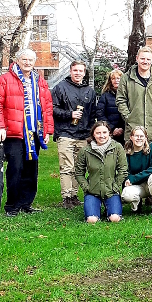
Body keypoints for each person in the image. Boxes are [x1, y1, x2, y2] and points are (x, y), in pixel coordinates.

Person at [0, 48, 54, 217]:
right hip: (14, 133)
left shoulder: (39, 81)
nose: (28, 63)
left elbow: (47, 107)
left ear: (35, 62)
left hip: (34, 133)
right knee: (15, 169)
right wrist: (0, 127)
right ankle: (12, 206)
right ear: (17, 61)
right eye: (24, 59)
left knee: (31, 170)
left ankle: (26, 203)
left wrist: (47, 130)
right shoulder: (5, 80)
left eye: (31, 60)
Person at [51, 61, 97, 209]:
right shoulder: (60, 88)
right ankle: (66, 196)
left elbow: (92, 114)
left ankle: (74, 196)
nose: (78, 73)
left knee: (79, 167)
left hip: (83, 135)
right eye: (75, 70)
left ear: (84, 73)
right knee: (66, 166)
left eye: (80, 71)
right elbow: (52, 109)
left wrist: (91, 134)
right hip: (65, 133)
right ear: (70, 71)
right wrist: (69, 114)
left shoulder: (89, 91)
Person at [116, 46, 152, 148]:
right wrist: (128, 117)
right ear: (137, 59)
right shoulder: (126, 78)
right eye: (142, 58)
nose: (145, 61)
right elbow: (120, 100)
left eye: (148, 59)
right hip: (133, 130)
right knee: (132, 163)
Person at [75, 121, 128, 223]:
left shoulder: (117, 147)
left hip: (111, 191)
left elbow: (123, 169)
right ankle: (95, 208)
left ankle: (109, 209)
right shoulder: (85, 151)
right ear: (93, 134)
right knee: (92, 220)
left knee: (115, 219)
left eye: (104, 132)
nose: (102, 136)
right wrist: (87, 187)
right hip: (92, 192)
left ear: (109, 133)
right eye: (98, 133)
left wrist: (115, 186)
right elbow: (78, 173)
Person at [121, 126, 152, 214]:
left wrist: (134, 178)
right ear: (131, 137)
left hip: (150, 184)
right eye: (136, 136)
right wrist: (129, 180)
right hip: (136, 186)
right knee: (127, 195)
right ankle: (136, 206)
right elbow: (124, 171)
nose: (139, 138)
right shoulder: (126, 152)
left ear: (145, 138)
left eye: (142, 136)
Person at [97, 69, 125, 144]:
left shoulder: (128, 95)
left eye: (118, 78)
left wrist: (122, 128)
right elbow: (100, 114)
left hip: (125, 133)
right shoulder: (105, 96)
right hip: (110, 132)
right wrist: (112, 128)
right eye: (113, 78)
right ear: (110, 81)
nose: (116, 80)